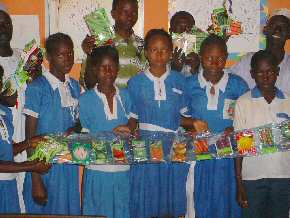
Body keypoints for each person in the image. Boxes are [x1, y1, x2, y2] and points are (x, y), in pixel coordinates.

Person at [128, 28, 207, 218]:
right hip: (147, 146)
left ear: (171, 53)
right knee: (148, 196)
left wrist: (194, 123)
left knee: (171, 197)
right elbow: (133, 118)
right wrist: (127, 130)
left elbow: (181, 117)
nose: (159, 53)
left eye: (164, 49)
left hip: (174, 145)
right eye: (154, 49)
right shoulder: (135, 83)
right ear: (146, 52)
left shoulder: (180, 81)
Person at [186, 34, 249, 218]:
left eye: (220, 58)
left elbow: (247, 119)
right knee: (201, 199)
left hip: (228, 156)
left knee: (226, 200)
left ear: (227, 58)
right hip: (199, 152)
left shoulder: (237, 85)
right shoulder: (189, 85)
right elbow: (178, 116)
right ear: (201, 57)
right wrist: (191, 124)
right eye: (209, 58)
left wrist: (235, 127)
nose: (214, 63)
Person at [23, 33, 81, 215]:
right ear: (49, 57)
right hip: (44, 168)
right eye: (60, 54)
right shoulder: (38, 88)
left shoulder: (75, 87)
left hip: (68, 167)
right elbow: (30, 137)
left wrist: (75, 128)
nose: (67, 59)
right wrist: (36, 178)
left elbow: (79, 121)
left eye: (70, 53)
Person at [234, 50, 290, 218]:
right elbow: (241, 148)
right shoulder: (244, 103)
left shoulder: (288, 102)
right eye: (260, 72)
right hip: (252, 179)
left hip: (283, 177)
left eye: (270, 71)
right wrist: (240, 183)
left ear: (277, 72)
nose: (265, 76)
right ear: (252, 74)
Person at [79, 45, 132, 218]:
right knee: (97, 212)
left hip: (122, 170)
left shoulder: (125, 96)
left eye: (112, 67)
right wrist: (109, 134)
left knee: (122, 211)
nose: (108, 71)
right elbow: (85, 138)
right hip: (97, 171)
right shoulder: (86, 100)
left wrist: (130, 129)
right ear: (95, 69)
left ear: (118, 68)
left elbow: (133, 123)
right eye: (103, 67)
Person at [0, 65, 50, 213]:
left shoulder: (4, 113)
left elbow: (6, 151)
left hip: (9, 184)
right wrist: (30, 166)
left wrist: (29, 142)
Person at [81, 0, 146, 89]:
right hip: (108, 101)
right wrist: (89, 53)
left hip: (134, 102)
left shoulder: (142, 46)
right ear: (113, 14)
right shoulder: (100, 42)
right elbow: (87, 84)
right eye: (125, 11)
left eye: (134, 13)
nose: (130, 16)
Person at [231, 8, 290, 93]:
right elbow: (227, 81)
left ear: (288, 34)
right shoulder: (247, 61)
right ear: (265, 30)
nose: (277, 30)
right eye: (274, 26)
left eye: (283, 27)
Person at [170, 11, 200, 77]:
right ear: (171, 31)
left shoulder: (199, 55)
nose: (184, 31)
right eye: (180, 27)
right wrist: (174, 68)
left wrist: (195, 68)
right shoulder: (165, 52)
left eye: (188, 28)